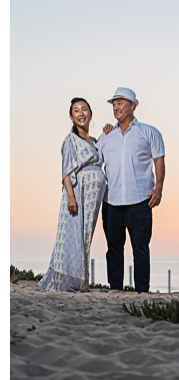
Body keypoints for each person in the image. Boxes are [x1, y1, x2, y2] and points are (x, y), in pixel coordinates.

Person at [96, 86, 165, 293]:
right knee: (114, 248)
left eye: (120, 103)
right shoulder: (106, 136)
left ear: (132, 106)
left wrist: (159, 188)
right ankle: (115, 287)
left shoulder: (149, 132)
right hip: (112, 201)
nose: (116, 107)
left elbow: (159, 161)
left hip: (140, 200)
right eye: (114, 104)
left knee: (140, 248)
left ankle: (142, 290)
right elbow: (94, 163)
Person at [36, 98, 107, 292]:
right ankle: (71, 281)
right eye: (76, 111)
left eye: (84, 109)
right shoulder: (70, 140)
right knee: (73, 237)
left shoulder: (94, 142)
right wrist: (71, 196)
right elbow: (66, 171)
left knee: (84, 237)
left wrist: (108, 132)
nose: (81, 113)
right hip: (77, 193)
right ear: (71, 116)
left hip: (92, 198)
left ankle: (80, 280)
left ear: (90, 114)